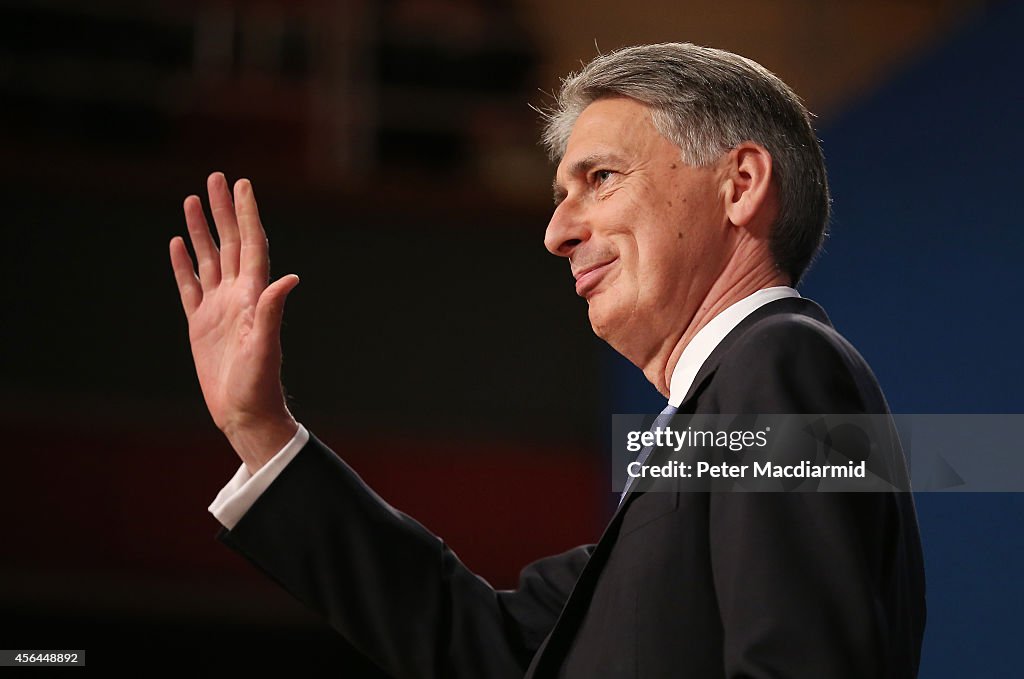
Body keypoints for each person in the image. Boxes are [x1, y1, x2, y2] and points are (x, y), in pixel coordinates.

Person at [170, 43, 926, 678]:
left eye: (599, 178)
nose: (557, 231)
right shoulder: (709, 424)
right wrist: (259, 428)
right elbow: (482, 646)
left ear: (741, 184)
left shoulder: (780, 362)